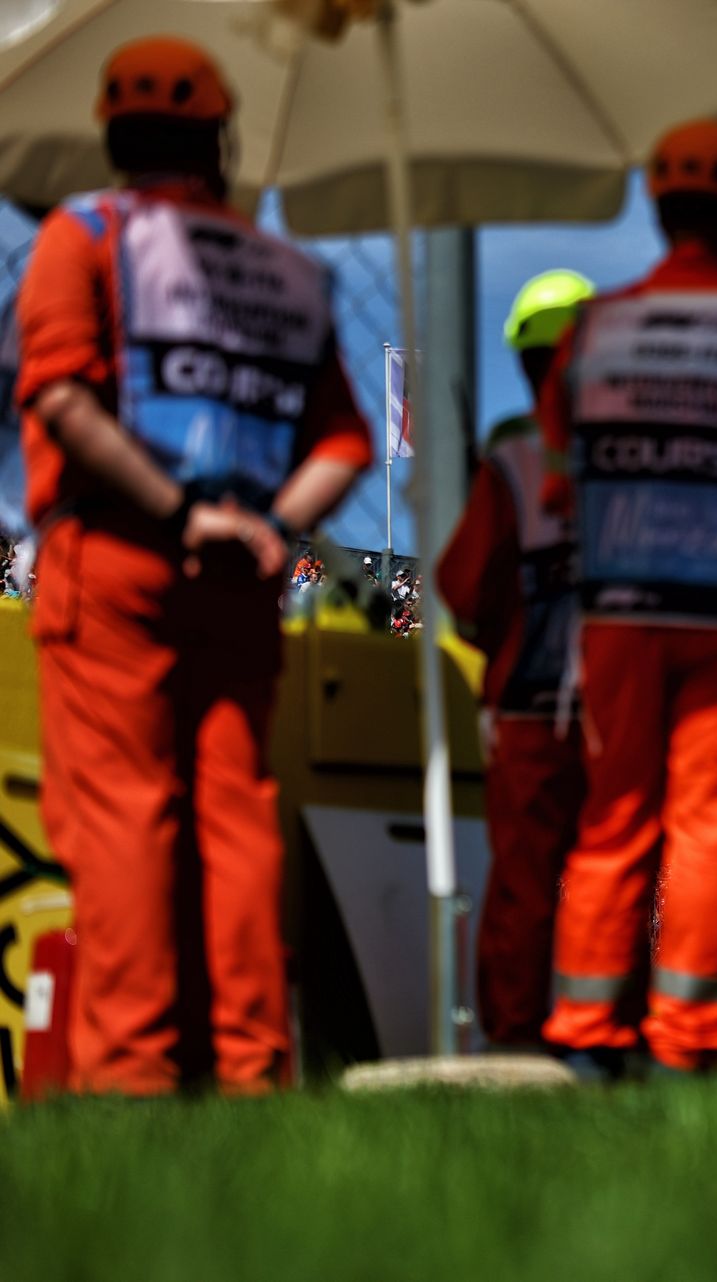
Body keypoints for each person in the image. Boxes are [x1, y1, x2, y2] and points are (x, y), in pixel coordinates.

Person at [13, 37, 371, 1094]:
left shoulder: (86, 235)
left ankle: (133, 1074)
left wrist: (178, 512)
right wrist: (268, 526)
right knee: (235, 815)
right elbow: (345, 442)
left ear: (115, 136)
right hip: (243, 579)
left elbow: (62, 398)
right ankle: (253, 1067)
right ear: (219, 140)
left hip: (119, 554)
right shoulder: (291, 272)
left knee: (123, 815)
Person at [537, 119, 717, 1076]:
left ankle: (586, 1037)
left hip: (619, 612)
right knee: (710, 831)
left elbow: (558, 473)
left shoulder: (594, 332)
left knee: (612, 820)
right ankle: (686, 1042)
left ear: (661, 213)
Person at [437, 269, 595, 1048]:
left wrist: (499, 644)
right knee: (611, 871)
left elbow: (461, 588)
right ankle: (608, 1030)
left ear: (526, 360)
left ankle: (515, 1036)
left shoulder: (512, 462)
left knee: (524, 882)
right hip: (616, 706)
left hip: (528, 704)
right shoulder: (634, 459)